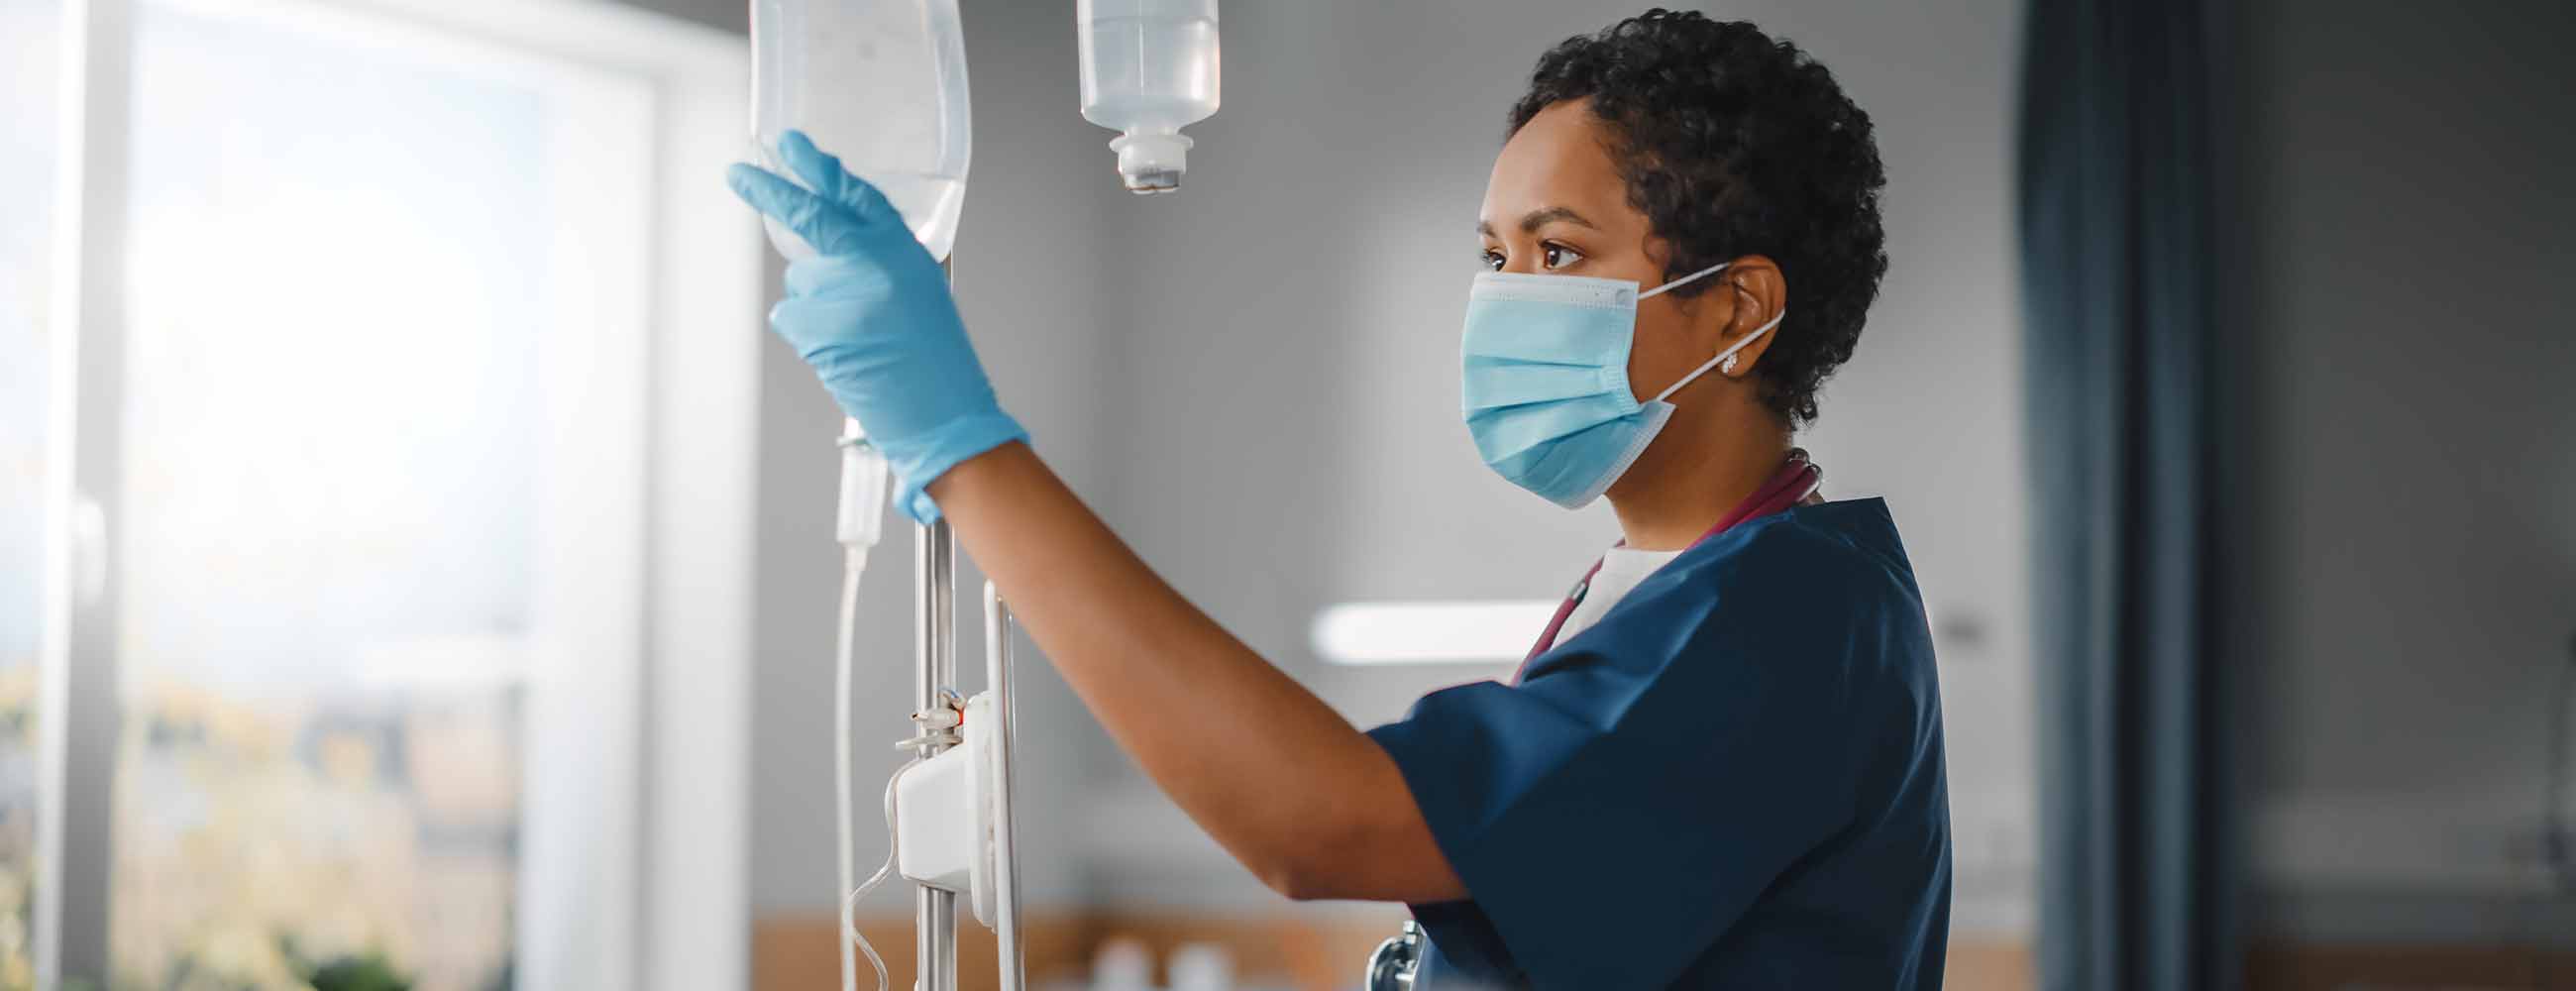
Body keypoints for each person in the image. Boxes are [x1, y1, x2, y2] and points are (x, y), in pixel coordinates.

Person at [728, 9, 1947, 989]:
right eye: (1491, 254)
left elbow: (1323, 823)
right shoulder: (1663, 592)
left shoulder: (1785, 622)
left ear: (1734, 312)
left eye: (1558, 252)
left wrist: (962, 447)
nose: (1502, 297)